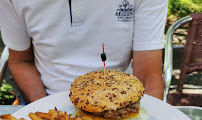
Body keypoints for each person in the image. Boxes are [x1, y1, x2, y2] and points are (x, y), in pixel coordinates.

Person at [0, 0, 168, 103]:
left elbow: (148, 79)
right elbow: (21, 60)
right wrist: (48, 115)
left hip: (122, 101)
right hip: (45, 99)